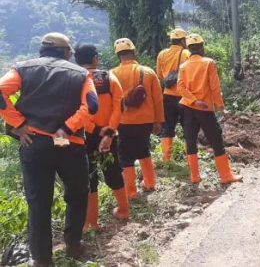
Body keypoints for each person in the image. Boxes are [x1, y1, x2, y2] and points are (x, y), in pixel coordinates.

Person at [0, 33, 98, 266]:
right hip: (67, 143)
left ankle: (42, 259)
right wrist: (67, 127)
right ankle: (73, 244)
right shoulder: (81, 74)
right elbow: (92, 105)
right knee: (76, 193)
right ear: (66, 52)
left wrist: (19, 124)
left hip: (34, 142)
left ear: (42, 50)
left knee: (38, 202)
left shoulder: (21, 68)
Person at [74, 44, 129, 231]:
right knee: (113, 171)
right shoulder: (109, 77)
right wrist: (109, 132)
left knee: (89, 177)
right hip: (110, 136)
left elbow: (76, 111)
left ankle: (91, 222)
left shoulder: (75, 79)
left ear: (76, 60)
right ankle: (123, 210)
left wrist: (94, 129)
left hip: (85, 136)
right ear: (95, 58)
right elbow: (119, 107)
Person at [177, 33, 242, 184]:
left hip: (188, 107)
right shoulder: (208, 63)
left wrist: (193, 100)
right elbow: (214, 87)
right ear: (201, 47)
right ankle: (225, 176)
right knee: (216, 140)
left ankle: (194, 176)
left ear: (189, 48)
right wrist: (221, 106)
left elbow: (180, 87)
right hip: (205, 108)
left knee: (190, 140)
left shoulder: (183, 66)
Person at [111, 38, 164, 199]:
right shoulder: (147, 72)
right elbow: (158, 99)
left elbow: (110, 101)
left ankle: (131, 192)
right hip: (146, 120)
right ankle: (149, 183)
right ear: (134, 52)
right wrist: (158, 120)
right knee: (143, 150)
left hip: (123, 121)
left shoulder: (112, 74)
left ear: (118, 55)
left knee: (125, 156)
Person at [156, 29, 190, 162]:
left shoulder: (162, 54)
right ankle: (190, 158)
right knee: (188, 126)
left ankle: (166, 159)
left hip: (167, 95)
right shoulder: (187, 53)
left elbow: (159, 75)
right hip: (184, 96)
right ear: (183, 41)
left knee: (167, 127)